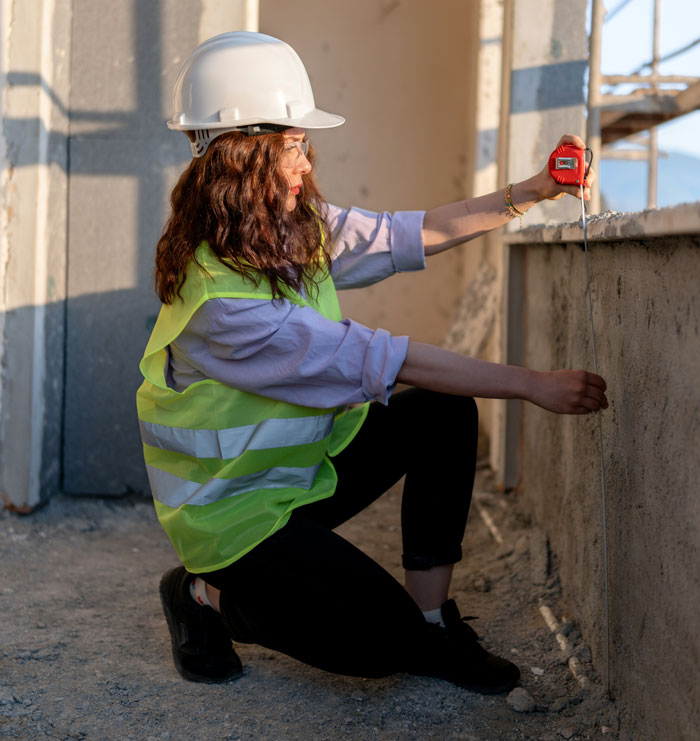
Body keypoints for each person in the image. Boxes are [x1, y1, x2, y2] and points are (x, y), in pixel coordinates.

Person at [136, 31, 606, 694]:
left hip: (302, 473)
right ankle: (209, 594)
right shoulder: (222, 307)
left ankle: (434, 620)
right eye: (294, 146)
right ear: (245, 157)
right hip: (235, 515)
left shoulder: (291, 224)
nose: (306, 161)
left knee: (442, 413)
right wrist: (534, 385)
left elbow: (403, 235)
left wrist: (531, 191)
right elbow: (389, 359)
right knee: (382, 648)